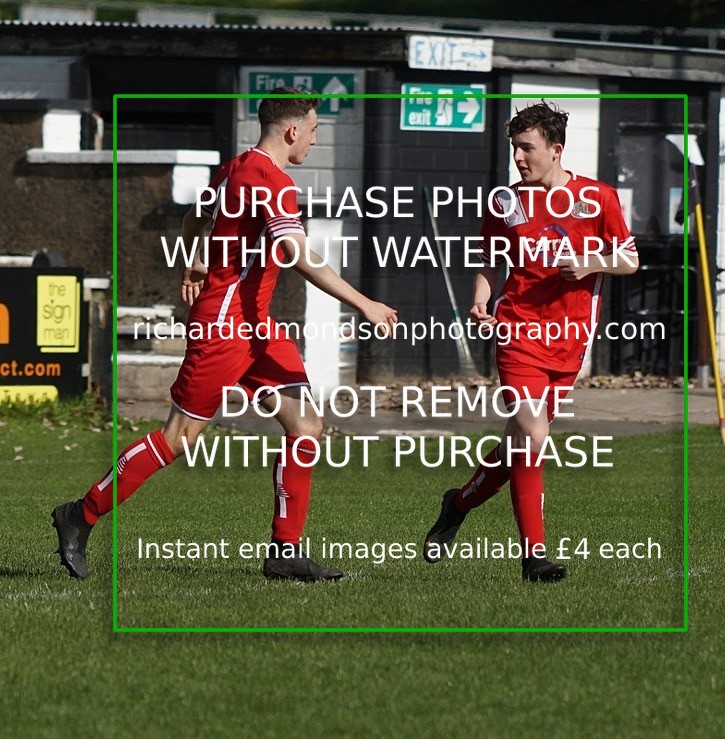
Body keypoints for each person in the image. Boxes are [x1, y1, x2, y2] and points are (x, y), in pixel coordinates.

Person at [52, 87, 398, 582]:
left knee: (306, 427)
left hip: (257, 325)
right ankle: (79, 514)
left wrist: (194, 258)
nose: (316, 142)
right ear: (293, 130)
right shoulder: (272, 181)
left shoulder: (236, 167)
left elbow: (198, 217)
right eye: (316, 131)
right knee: (179, 438)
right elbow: (300, 255)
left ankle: (284, 551)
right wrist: (364, 303)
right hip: (225, 326)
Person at [422, 101, 638, 582]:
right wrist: (480, 299)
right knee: (534, 437)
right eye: (514, 148)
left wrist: (592, 263)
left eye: (527, 148)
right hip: (517, 332)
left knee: (520, 444)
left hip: (570, 341)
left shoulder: (598, 199)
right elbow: (488, 258)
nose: (519, 158)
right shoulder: (507, 202)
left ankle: (457, 504)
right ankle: (534, 556)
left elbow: (629, 260)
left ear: (555, 150)